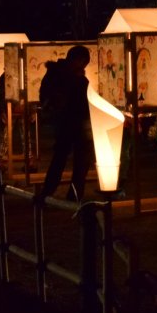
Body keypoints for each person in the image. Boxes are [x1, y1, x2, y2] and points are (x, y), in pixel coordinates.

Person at [36, 45, 91, 203]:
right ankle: (73, 195)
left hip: (65, 121)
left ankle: (49, 192)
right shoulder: (70, 77)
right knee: (78, 161)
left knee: (61, 158)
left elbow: (45, 95)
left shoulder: (56, 73)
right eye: (84, 62)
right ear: (78, 60)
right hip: (73, 121)